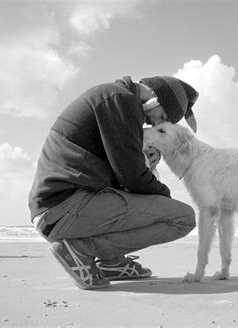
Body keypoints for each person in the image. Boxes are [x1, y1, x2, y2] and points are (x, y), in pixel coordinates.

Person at [29, 76, 199, 290]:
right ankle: (80, 249)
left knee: (152, 201)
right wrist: (164, 194)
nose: (154, 123)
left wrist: (144, 157)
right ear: (155, 100)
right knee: (182, 217)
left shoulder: (113, 97)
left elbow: (122, 171)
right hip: (64, 209)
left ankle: (112, 262)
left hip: (56, 209)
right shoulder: (121, 100)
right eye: (162, 116)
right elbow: (133, 177)